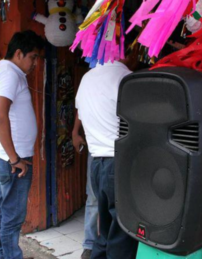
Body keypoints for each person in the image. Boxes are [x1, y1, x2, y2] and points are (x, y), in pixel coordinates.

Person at [75, 40, 140, 258]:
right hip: (118, 163)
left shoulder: (87, 78)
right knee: (123, 231)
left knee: (104, 229)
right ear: (127, 53)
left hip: (96, 163)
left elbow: (82, 117)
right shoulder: (127, 79)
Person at [0, 30, 44, 259]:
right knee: (13, 216)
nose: (35, 63)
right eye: (33, 57)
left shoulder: (9, 73)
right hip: (12, 160)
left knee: (5, 209)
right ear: (18, 53)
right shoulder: (10, 75)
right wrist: (15, 159)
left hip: (7, 157)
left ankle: (5, 253)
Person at [72, 117, 98, 259]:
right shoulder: (86, 93)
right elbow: (79, 107)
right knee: (94, 199)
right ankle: (89, 244)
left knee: (120, 199)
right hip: (95, 150)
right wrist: (75, 132)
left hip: (120, 148)